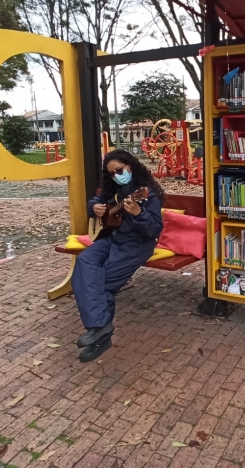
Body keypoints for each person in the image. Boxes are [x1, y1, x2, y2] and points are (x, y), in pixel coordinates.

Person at [71, 150, 164, 362]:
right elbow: (98, 199)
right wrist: (94, 206)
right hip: (111, 238)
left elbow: (154, 230)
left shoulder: (148, 192)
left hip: (136, 245)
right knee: (85, 262)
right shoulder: (115, 188)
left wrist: (138, 214)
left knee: (101, 283)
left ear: (130, 165)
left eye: (119, 171)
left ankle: (100, 335)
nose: (116, 176)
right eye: (112, 173)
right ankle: (102, 329)